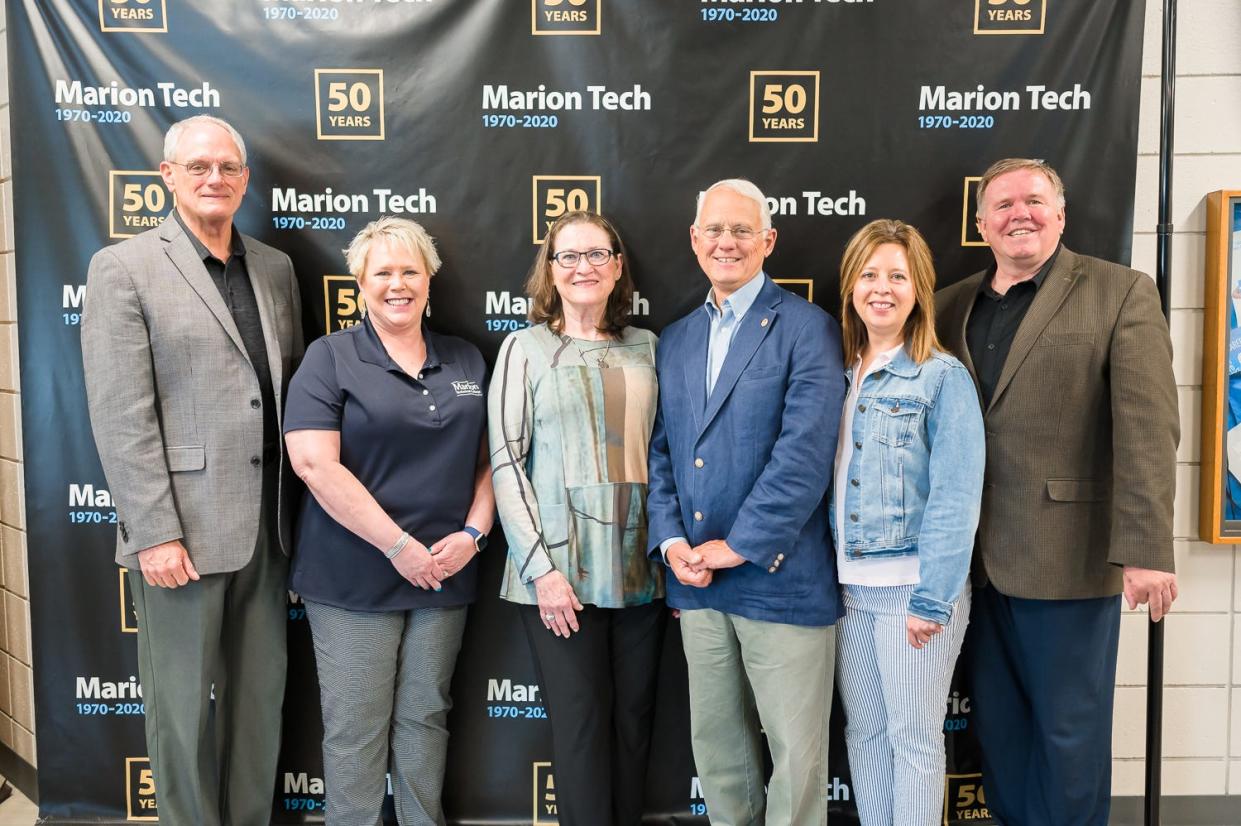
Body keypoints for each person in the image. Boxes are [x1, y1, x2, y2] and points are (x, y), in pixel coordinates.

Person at [936, 158, 1179, 826]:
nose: (1020, 213)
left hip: (1068, 561)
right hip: (970, 566)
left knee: (1068, 740)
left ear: (1060, 214)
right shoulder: (949, 304)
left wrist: (1146, 548)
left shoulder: (1118, 292)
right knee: (1002, 736)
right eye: (1004, 204)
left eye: (1034, 201)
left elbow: (1148, 427)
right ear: (981, 223)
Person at [81, 115, 302, 825]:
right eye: (199, 166)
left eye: (229, 167)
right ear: (168, 177)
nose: (216, 179)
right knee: (179, 711)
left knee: (258, 705)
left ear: (244, 179)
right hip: (180, 535)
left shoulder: (275, 267)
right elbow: (121, 414)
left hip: (269, 529)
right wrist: (153, 531)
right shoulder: (123, 267)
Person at [647, 178, 846, 825]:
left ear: (768, 240)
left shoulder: (807, 329)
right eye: (714, 230)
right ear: (694, 240)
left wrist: (738, 547)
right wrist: (673, 543)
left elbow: (804, 455)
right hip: (698, 586)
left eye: (741, 230)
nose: (725, 242)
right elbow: (661, 454)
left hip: (778, 580)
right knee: (719, 753)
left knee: (795, 758)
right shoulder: (674, 340)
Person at [283, 216, 493, 825]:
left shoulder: (467, 359)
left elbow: (494, 464)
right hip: (353, 577)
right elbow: (314, 465)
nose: (397, 284)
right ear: (360, 283)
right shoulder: (330, 357)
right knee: (356, 731)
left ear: (429, 279)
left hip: (446, 574)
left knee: (426, 716)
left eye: (410, 271)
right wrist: (399, 546)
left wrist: (474, 537)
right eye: (383, 272)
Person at [489, 210, 665, 826]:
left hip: (641, 565)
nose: (584, 267)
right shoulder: (524, 347)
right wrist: (540, 569)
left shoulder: (648, 346)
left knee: (635, 722)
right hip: (561, 568)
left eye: (597, 255)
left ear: (618, 268)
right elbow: (506, 460)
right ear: (551, 270)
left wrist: (671, 551)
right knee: (581, 726)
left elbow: (665, 454)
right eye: (569, 256)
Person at [831, 219, 984, 825]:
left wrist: (934, 596)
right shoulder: (840, 373)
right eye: (869, 275)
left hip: (914, 593)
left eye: (897, 275)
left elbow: (956, 496)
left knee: (915, 741)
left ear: (919, 288)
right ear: (850, 287)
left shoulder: (941, 378)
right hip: (848, 591)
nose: (882, 288)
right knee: (864, 736)